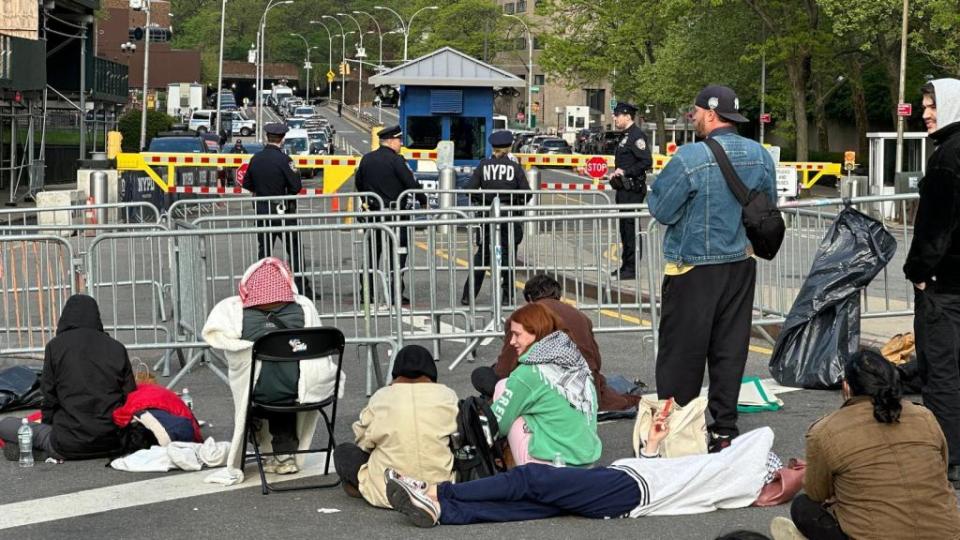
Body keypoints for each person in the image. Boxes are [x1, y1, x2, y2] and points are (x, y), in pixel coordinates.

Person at [648, 85, 776, 453]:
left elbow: (662, 209)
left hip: (693, 268)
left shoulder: (691, 157)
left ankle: (676, 427)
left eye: (695, 112)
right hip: (740, 264)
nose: (694, 117)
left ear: (710, 114)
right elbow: (766, 207)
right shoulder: (760, 155)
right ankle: (723, 430)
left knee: (681, 353)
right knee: (729, 349)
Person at [384, 424, 777, 527]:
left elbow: (763, 438)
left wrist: (789, 473)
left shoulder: (736, 474)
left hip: (628, 487)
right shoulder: (716, 475)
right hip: (630, 485)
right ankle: (442, 512)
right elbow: (672, 476)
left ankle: (436, 490)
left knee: (532, 479)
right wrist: (652, 448)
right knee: (531, 505)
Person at [770, 351, 960, 540]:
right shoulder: (924, 416)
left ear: (846, 387)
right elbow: (940, 469)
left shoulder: (825, 430)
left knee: (803, 506)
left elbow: (817, 492)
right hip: (947, 533)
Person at [201, 258, 342, 483]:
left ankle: (257, 434)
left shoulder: (239, 315)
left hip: (261, 392)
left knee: (259, 390)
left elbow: (223, 344)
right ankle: (284, 452)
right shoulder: (303, 310)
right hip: (303, 390)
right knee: (284, 387)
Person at [903, 78, 960, 488]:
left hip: (944, 286)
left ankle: (947, 459)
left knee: (940, 372)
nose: (925, 114)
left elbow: (934, 229)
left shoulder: (946, 158)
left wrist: (918, 273)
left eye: (931, 107)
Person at [475, 274, 641, 412]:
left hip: (547, 395)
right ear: (558, 295)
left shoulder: (524, 319)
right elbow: (595, 361)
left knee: (483, 376)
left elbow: (505, 367)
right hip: (588, 389)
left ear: (530, 298)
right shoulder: (581, 317)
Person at [1, 295, 135, 461]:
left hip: (67, 442)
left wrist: (48, 426)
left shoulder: (55, 347)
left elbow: (49, 397)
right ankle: (44, 449)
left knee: (6, 425)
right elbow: (130, 396)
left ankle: (42, 450)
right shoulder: (117, 348)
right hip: (113, 442)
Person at [333, 345, 458, 508]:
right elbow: (457, 437)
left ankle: (365, 487)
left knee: (343, 452)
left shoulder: (381, 397)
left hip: (387, 489)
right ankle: (424, 493)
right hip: (439, 488)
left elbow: (364, 441)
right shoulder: (447, 395)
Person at [490, 302, 601, 467]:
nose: (512, 341)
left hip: (553, 467)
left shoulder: (528, 373)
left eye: (517, 334)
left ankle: (519, 475)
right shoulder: (577, 364)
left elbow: (498, 424)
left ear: (536, 333)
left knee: (503, 389)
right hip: (587, 461)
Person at [354, 125, 427, 305]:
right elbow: (410, 183)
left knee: (371, 255)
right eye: (399, 140)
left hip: (373, 214)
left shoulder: (367, 159)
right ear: (391, 141)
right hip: (396, 215)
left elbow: (359, 183)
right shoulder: (396, 161)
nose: (401, 143)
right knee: (398, 256)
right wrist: (423, 200)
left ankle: (367, 293)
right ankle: (395, 294)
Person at [460, 130, 532, 306]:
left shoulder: (484, 165)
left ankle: (468, 295)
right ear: (508, 148)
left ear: (493, 147)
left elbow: (470, 189)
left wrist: (484, 201)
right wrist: (514, 202)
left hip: (488, 217)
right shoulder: (514, 167)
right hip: (509, 217)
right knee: (508, 256)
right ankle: (507, 296)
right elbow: (527, 194)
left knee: (483, 256)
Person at [244, 122, 313, 298]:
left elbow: (247, 184)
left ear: (268, 138)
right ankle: (301, 287)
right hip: (284, 212)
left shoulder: (256, 159)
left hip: (263, 212)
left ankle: (262, 287)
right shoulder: (285, 160)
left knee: (264, 252)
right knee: (294, 249)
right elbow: (296, 186)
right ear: (282, 139)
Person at [608, 102, 652, 280]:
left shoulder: (636, 136)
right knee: (624, 227)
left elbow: (646, 162)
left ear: (627, 116)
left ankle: (631, 268)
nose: (614, 117)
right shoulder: (626, 136)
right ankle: (626, 265)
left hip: (632, 188)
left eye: (617, 114)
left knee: (630, 227)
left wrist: (626, 172)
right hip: (624, 188)